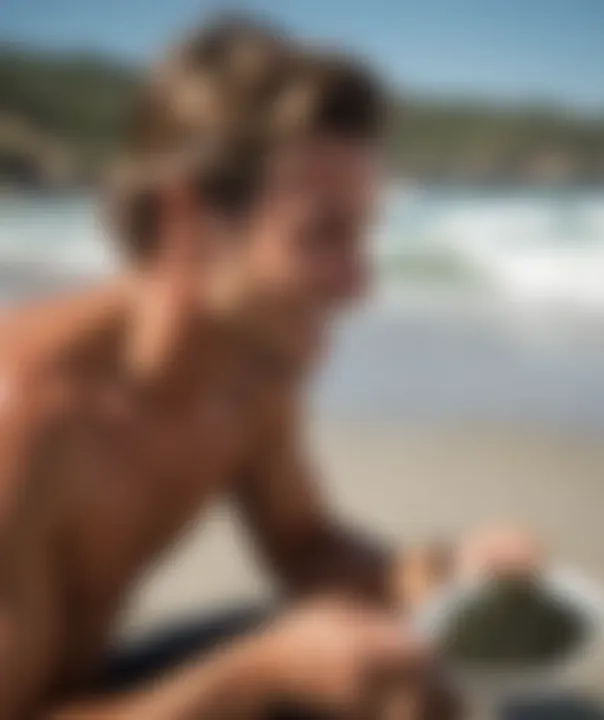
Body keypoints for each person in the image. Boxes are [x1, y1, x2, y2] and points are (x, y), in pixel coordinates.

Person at [0, 17, 542, 719]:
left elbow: (305, 544)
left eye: (363, 234)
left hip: (91, 682)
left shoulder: (249, 380)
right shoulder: (28, 419)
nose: (360, 286)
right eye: (323, 234)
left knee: (400, 665)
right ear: (187, 219)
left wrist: (443, 578)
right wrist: (254, 678)